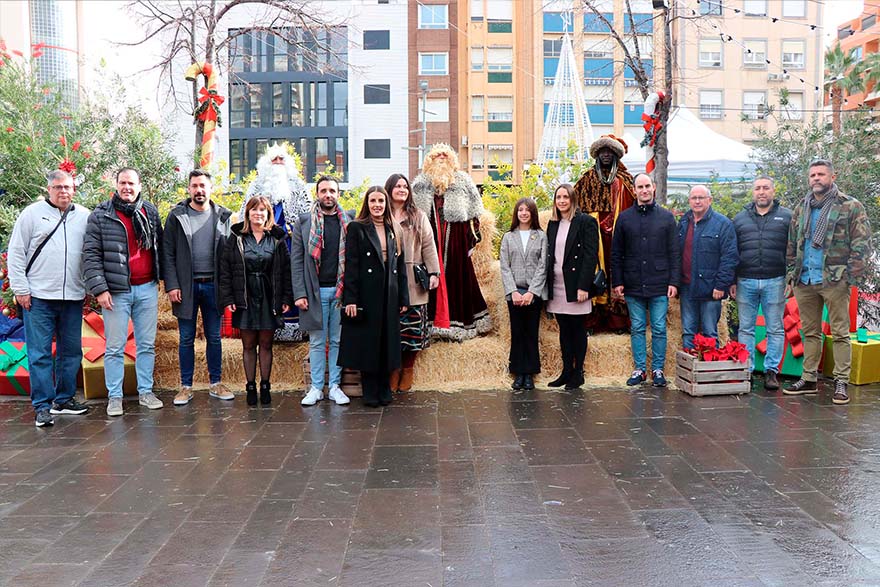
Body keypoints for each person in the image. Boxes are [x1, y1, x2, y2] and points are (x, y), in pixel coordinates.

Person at [784, 159, 871, 405]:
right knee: (810, 332)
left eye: (821, 174)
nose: (816, 178)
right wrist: (792, 273)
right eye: (812, 175)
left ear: (833, 177)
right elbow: (792, 243)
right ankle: (809, 378)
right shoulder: (802, 206)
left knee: (841, 333)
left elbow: (862, 244)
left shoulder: (850, 205)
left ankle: (841, 380)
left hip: (834, 279)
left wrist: (849, 277)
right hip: (805, 278)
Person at [7, 170, 90, 427]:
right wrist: (20, 289)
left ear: (74, 189)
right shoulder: (31, 214)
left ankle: (64, 400)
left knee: (71, 351)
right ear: (49, 189)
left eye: (67, 187)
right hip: (39, 297)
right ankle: (42, 406)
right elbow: (16, 253)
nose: (63, 191)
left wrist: (88, 286)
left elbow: (90, 254)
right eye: (58, 187)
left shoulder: (85, 216)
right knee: (40, 353)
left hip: (73, 297)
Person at [83, 168, 164, 417]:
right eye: (123, 183)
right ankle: (115, 397)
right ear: (116, 185)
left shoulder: (149, 211)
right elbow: (90, 255)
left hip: (147, 288)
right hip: (116, 292)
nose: (127, 187)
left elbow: (160, 246)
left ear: (139, 185)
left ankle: (146, 392)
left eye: (131, 183)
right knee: (115, 347)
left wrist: (164, 280)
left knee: (147, 345)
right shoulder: (101, 215)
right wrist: (100, 290)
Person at [163, 169, 234, 405]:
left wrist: (228, 288)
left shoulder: (223, 216)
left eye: (203, 185)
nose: (199, 190)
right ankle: (185, 386)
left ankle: (216, 383)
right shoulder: (176, 216)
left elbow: (231, 255)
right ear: (189, 188)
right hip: (186, 287)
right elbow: (168, 254)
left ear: (210, 188)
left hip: (214, 286)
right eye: (194, 186)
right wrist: (172, 284)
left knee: (214, 337)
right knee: (186, 338)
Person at [412, 143, 491, 341]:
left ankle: (457, 326)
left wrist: (471, 242)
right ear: (429, 160)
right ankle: (431, 326)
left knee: (458, 279)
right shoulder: (420, 184)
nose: (441, 158)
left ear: (452, 159)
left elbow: (475, 215)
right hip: (428, 241)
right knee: (429, 280)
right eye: (436, 155)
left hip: (456, 241)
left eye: (445, 155)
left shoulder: (463, 180)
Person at [339, 186, 409, 407]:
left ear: (386, 203)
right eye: (373, 201)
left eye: (381, 201)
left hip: (389, 293)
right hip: (366, 294)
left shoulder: (394, 229)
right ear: (367, 204)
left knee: (387, 343)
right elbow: (351, 266)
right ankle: (369, 391)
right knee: (368, 344)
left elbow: (401, 266)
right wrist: (350, 299)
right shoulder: (357, 228)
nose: (377, 205)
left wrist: (403, 298)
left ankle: (384, 388)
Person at [219, 196, 293, 406]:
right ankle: (250, 385)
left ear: (268, 213)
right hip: (245, 295)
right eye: (254, 210)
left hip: (270, 296)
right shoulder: (237, 237)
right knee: (249, 344)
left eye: (262, 210)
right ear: (248, 213)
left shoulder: (277, 238)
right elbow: (226, 269)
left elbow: (285, 271)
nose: (258, 213)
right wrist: (229, 298)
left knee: (266, 344)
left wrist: (286, 297)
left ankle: (265, 385)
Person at [611, 173, 680, 388]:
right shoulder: (624, 218)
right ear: (634, 190)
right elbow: (616, 253)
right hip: (632, 282)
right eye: (640, 186)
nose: (644, 190)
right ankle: (640, 369)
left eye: (647, 186)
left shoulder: (666, 217)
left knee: (659, 327)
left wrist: (673, 282)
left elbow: (674, 252)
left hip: (660, 282)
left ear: (654, 187)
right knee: (638, 327)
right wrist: (618, 281)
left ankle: (658, 369)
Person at [239, 142, 311, 341]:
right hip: (262, 247)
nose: (278, 163)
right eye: (274, 159)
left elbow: (308, 217)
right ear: (266, 164)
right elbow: (244, 213)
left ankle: (294, 327)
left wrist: (292, 230)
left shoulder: (299, 186)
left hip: (291, 246)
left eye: (282, 159)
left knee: (289, 283)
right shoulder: (256, 186)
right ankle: (267, 327)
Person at [292, 176, 352, 406]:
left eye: (332, 191)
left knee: (337, 340)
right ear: (317, 193)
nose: (328, 194)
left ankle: (335, 386)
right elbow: (296, 261)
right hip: (314, 291)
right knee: (317, 342)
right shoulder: (304, 221)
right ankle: (316, 387)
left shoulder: (349, 220)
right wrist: (299, 293)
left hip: (340, 292)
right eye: (324, 190)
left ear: (338, 194)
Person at [732, 176, 792, 390]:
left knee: (775, 329)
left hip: (775, 280)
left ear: (773, 192)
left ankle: (771, 372)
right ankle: (745, 370)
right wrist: (732, 280)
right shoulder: (739, 219)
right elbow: (732, 252)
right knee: (745, 329)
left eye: (766, 188)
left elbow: (793, 249)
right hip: (745, 280)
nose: (762, 192)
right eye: (758, 188)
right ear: (753, 192)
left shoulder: (787, 217)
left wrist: (790, 277)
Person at [573, 134, 636, 333]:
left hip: (619, 238)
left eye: (610, 152)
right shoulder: (587, 179)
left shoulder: (625, 180)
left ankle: (618, 322)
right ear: (597, 155)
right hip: (595, 239)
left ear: (616, 155)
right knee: (594, 275)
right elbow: (574, 206)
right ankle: (592, 323)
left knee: (618, 277)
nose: (606, 155)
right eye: (603, 152)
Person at [386, 173, 440, 392]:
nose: (401, 189)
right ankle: (394, 369)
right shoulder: (382, 214)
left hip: (413, 279)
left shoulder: (418, 216)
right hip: (387, 280)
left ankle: (408, 369)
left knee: (412, 331)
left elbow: (429, 245)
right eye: (397, 186)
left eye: (404, 186)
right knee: (391, 331)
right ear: (389, 189)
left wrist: (434, 272)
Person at [545, 184, 599, 390]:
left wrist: (583, 286)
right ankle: (566, 371)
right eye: (558, 197)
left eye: (565, 197)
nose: (561, 201)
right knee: (564, 330)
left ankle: (579, 373)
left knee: (577, 330)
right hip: (557, 286)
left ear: (573, 199)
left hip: (576, 287)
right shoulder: (553, 224)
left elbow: (590, 256)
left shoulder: (586, 222)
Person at [677, 185, 738, 350]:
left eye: (701, 198)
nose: (697, 201)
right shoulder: (683, 223)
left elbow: (729, 257)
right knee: (688, 332)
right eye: (693, 198)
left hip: (711, 289)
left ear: (709, 200)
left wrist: (721, 285)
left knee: (710, 332)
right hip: (687, 287)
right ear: (689, 201)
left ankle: (709, 372)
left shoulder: (722, 224)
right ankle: (689, 372)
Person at [499, 197, 547, 391]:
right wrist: (513, 292)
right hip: (515, 293)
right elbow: (504, 267)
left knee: (531, 332)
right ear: (516, 213)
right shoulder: (508, 237)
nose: (524, 213)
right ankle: (518, 373)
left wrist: (532, 293)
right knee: (517, 332)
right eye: (520, 210)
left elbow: (543, 266)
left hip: (533, 294)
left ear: (533, 213)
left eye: (528, 210)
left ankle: (530, 374)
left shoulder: (541, 236)